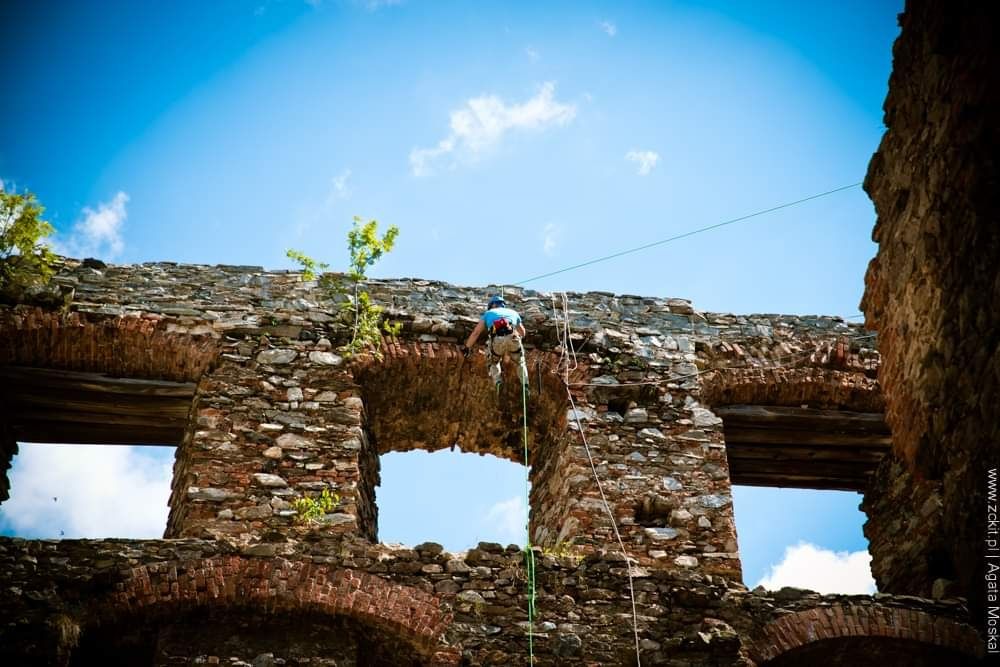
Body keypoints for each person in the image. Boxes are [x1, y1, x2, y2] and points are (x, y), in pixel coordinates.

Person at [462, 295, 529, 393]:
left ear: (492, 305)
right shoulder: (514, 313)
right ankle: (525, 385)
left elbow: (476, 333)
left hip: (497, 340)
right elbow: (523, 333)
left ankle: (498, 382)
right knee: (521, 362)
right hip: (513, 338)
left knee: (493, 362)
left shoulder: (488, 313)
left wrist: (467, 347)